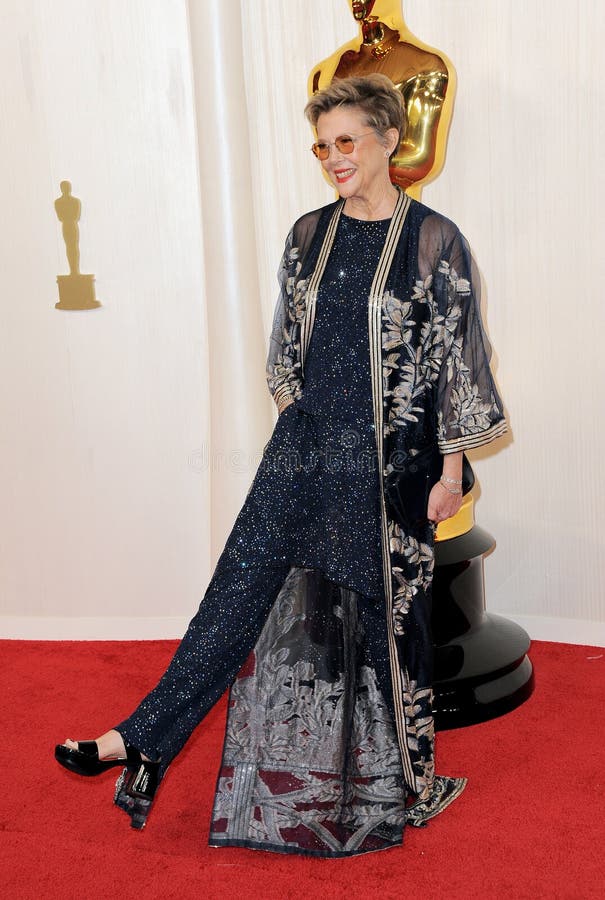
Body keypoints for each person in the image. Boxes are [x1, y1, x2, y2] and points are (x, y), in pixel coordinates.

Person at [55, 74, 506, 857]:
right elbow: (284, 350)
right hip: (305, 452)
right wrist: (299, 424)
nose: (331, 157)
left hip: (389, 467)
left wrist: (450, 470)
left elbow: (457, 363)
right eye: (321, 144)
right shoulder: (307, 234)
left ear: (388, 142)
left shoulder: (435, 240)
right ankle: (139, 737)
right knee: (237, 589)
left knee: (383, 625)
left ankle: (401, 775)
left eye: (345, 142)